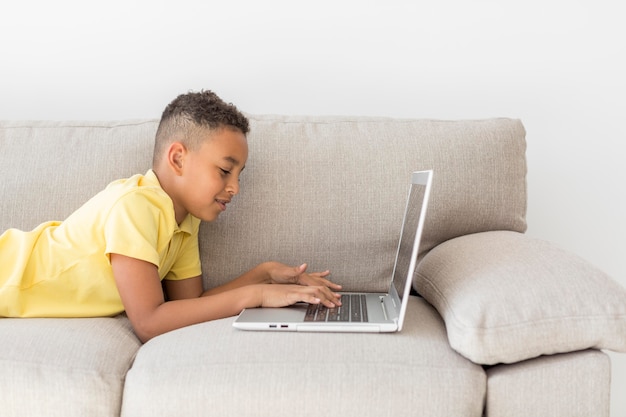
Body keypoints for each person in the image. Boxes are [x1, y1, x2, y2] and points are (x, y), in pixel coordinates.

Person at [0, 90, 342, 342]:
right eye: (225, 171)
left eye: (239, 175)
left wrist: (264, 275)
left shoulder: (184, 221)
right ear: (177, 158)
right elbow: (149, 322)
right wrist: (257, 296)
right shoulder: (135, 206)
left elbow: (190, 306)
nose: (235, 188)